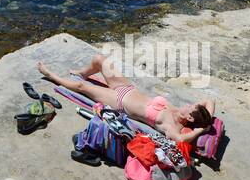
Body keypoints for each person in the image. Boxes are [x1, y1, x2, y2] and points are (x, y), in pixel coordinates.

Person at [37, 54, 215, 143]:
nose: (189, 104)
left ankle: (51, 75)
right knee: (100, 59)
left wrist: (200, 131)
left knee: (82, 88)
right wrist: (208, 121)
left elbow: (181, 140)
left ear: (190, 117)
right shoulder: (180, 111)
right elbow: (210, 101)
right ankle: (82, 73)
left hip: (118, 101)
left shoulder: (172, 125)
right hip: (127, 88)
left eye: (191, 107)